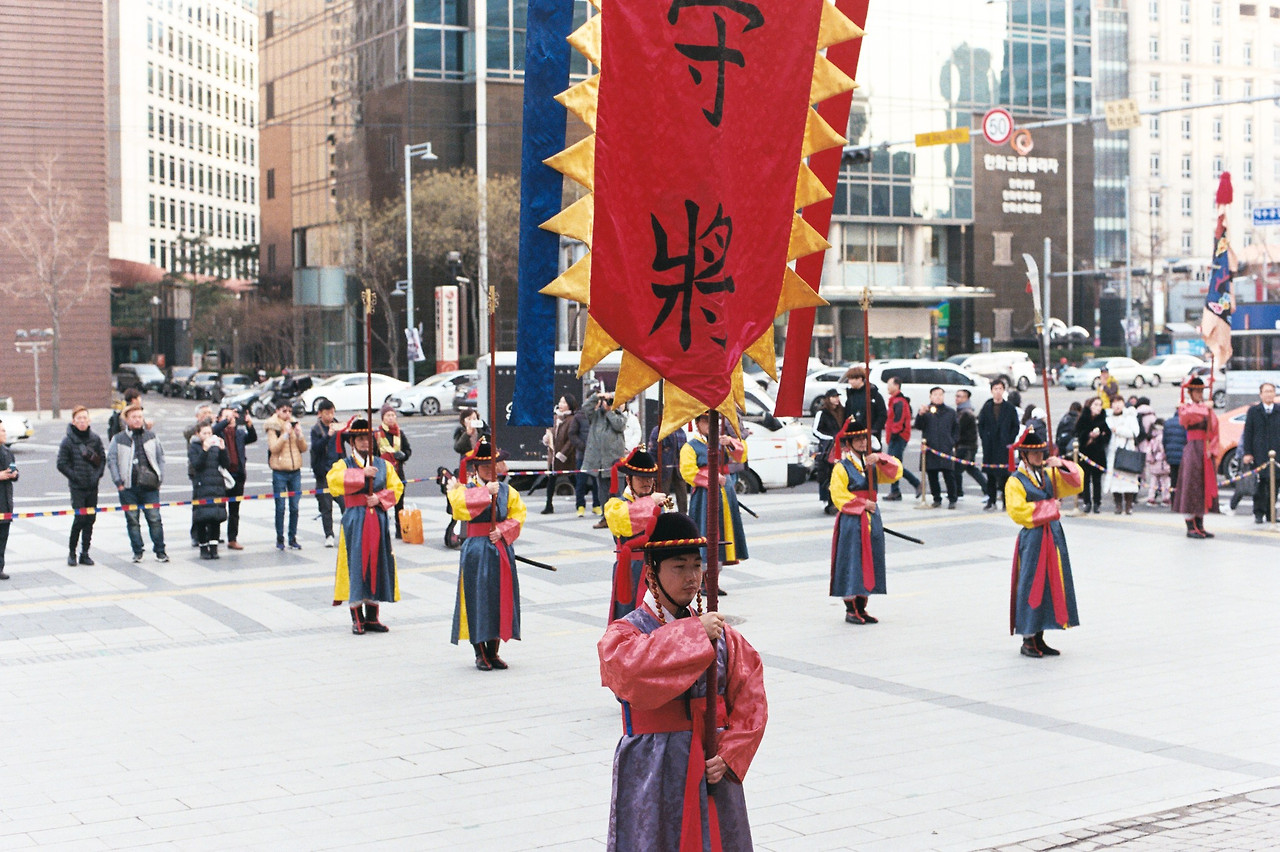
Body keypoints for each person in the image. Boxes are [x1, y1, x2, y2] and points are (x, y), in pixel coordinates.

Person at [597, 511, 767, 851]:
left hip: (711, 761)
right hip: (654, 764)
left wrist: (730, 754)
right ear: (652, 572)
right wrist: (694, 633)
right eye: (679, 566)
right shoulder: (624, 634)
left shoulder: (722, 634)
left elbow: (751, 695)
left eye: (697, 565)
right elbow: (631, 674)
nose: (692, 577)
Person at [1005, 420, 1084, 658]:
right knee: (1032, 585)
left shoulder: (1048, 474)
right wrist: (1050, 507)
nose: (1039, 457)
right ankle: (1028, 638)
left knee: (1051, 584)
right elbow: (1017, 511)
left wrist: (1062, 464)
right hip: (1033, 539)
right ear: (1024, 455)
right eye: (1034, 453)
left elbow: (1076, 482)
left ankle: (1040, 636)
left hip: (1053, 537)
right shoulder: (1015, 481)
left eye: (1041, 452)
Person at [447, 436, 525, 670]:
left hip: (500, 548)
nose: (490, 470)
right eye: (484, 466)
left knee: (498, 597)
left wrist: (502, 530)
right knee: (478, 597)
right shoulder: (465, 489)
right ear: (475, 468)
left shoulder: (507, 491)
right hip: (476, 550)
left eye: (493, 465)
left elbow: (518, 514)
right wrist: (484, 494)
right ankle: (480, 652)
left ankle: (494, 650)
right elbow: (458, 507)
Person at [329, 417, 403, 634]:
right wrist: (361, 474)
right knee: (356, 563)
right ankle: (357, 617)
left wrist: (379, 498)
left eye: (367, 439)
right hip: (355, 519)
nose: (364, 443)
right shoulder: (344, 464)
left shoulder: (383, 465)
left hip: (377, 518)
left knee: (377, 562)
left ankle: (372, 616)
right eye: (360, 439)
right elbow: (333, 481)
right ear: (352, 442)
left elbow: (397, 488)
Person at [829, 412, 903, 625]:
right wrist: (862, 504)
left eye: (865, 439)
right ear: (849, 443)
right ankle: (850, 609)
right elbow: (838, 495)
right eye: (858, 439)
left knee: (870, 561)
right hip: (852, 521)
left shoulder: (871, 463)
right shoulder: (842, 467)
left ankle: (862, 607)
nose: (863, 443)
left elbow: (895, 472)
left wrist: (881, 458)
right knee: (852, 561)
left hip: (872, 519)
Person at [603, 447, 668, 622]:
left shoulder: (657, 503)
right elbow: (625, 522)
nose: (647, 483)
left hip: (655, 569)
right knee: (628, 617)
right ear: (628, 479)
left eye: (650, 478)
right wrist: (651, 502)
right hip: (630, 569)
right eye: (640, 478)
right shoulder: (615, 505)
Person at [682, 412, 749, 570]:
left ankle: (717, 571)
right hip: (704, 495)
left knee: (723, 531)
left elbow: (741, 456)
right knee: (705, 530)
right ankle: (704, 572)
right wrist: (712, 477)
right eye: (706, 421)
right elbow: (688, 472)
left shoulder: (721, 442)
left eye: (713, 421)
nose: (710, 425)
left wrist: (730, 442)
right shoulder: (690, 446)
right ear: (697, 424)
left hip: (725, 491)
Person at [106, 403, 168, 564]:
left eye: (140, 416)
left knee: (154, 518)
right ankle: (137, 551)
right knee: (132, 520)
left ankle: (160, 551)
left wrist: (159, 477)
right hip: (128, 488)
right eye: (134, 417)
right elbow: (111, 461)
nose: (138, 420)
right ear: (126, 420)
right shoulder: (118, 439)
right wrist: (118, 482)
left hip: (150, 486)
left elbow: (161, 457)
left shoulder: (151, 436)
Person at [56, 406, 106, 566]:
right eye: (79, 419)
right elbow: (61, 463)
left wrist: (97, 476)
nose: (82, 421)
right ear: (73, 421)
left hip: (92, 486)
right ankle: (72, 552)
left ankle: (85, 553)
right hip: (77, 487)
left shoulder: (95, 439)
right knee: (80, 519)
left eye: (85, 418)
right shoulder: (68, 441)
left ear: (89, 420)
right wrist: (75, 477)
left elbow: (102, 459)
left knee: (90, 519)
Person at [1172, 376, 1220, 539]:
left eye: (1201, 391)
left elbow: (1214, 429)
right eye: (1196, 391)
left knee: (1202, 486)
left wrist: (1212, 448)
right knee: (1190, 485)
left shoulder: (1207, 408)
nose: (1200, 394)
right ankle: (1190, 526)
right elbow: (1186, 418)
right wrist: (1206, 408)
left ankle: (1200, 524)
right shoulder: (1186, 408)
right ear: (1190, 393)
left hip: (1205, 450)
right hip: (1192, 449)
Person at [265, 399, 308, 550]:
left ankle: (292, 537)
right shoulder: (273, 427)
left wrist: (299, 435)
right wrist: (284, 435)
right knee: (281, 506)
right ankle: (280, 538)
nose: (288, 414)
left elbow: (303, 448)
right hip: (280, 471)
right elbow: (273, 448)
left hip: (295, 470)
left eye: (290, 411)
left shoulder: (294, 424)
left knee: (294, 506)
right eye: (284, 411)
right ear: (277, 411)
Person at [583, 387, 628, 529]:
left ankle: (619, 519)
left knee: (617, 493)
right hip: (600, 462)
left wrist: (610, 411)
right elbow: (585, 408)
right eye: (606, 401)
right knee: (603, 493)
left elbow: (619, 426)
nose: (607, 403)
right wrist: (597, 396)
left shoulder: (620, 416)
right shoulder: (595, 416)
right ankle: (605, 518)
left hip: (615, 462)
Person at [212, 406, 256, 551]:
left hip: (238, 475)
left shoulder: (239, 433)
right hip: (222, 476)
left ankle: (232, 539)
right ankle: (213, 538)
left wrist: (249, 424)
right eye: (226, 416)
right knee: (218, 509)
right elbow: (213, 430)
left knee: (234, 510)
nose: (231, 419)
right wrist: (225, 421)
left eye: (232, 416)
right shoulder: (218, 434)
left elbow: (252, 438)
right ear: (220, 419)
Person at [188, 420, 229, 560]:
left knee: (215, 518)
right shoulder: (194, 447)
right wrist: (204, 450)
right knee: (202, 518)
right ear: (198, 434)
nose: (207, 436)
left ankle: (214, 548)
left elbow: (226, 463)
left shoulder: (215, 446)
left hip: (216, 485)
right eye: (204, 433)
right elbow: (197, 465)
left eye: (210, 433)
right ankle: (203, 548)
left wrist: (223, 449)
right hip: (202, 486)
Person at [1239, 382, 1280, 524]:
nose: (1269, 394)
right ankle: (1258, 513)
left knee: (1275, 485)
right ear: (1260, 394)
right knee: (1260, 485)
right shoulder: (1254, 411)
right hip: (1259, 454)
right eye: (1266, 391)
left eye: (1271, 391)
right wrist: (1247, 452)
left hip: (1276, 455)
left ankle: (1271, 513)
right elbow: (1248, 433)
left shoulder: (1278, 410)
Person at [978, 379, 1021, 511]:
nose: (998, 391)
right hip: (990, 446)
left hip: (1004, 446)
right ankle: (991, 500)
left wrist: (1009, 440)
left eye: (1000, 389)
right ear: (991, 391)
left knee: (1004, 475)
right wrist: (985, 438)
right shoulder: (987, 407)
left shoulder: (1009, 408)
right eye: (995, 389)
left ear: (1003, 390)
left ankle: (1006, 501)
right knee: (990, 475)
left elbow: (1015, 426)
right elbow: (981, 425)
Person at [914, 387, 958, 509]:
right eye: (935, 394)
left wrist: (952, 442)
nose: (938, 397)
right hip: (931, 447)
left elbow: (956, 428)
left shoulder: (950, 412)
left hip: (945, 448)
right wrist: (920, 414)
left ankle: (952, 498)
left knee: (949, 474)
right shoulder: (926, 411)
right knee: (932, 475)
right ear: (930, 397)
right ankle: (936, 498)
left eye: (940, 394)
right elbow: (918, 426)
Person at [309, 399, 343, 548]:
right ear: (320, 414)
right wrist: (328, 435)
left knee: (345, 503)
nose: (330, 416)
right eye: (327, 413)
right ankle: (329, 535)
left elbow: (348, 440)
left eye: (332, 413)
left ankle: (347, 532)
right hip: (323, 473)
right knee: (325, 505)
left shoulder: (338, 426)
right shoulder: (316, 429)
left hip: (339, 471)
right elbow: (316, 448)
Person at [376, 404, 413, 539]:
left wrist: (404, 455)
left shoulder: (399, 433)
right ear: (383, 418)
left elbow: (408, 450)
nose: (391, 418)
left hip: (398, 472)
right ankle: (383, 530)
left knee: (399, 502)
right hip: (383, 473)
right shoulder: (377, 435)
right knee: (382, 503)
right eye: (388, 415)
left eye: (393, 415)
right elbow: (373, 454)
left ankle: (400, 529)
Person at [883, 376, 920, 501]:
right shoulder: (895, 400)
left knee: (895, 465)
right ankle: (895, 490)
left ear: (896, 386)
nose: (888, 387)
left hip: (898, 436)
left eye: (889, 384)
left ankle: (916, 483)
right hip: (895, 436)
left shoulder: (899, 402)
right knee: (894, 465)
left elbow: (898, 420)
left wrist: (894, 433)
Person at [540, 394, 578, 515]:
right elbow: (550, 433)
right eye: (560, 402)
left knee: (573, 478)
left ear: (570, 405)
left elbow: (571, 440)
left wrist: (562, 454)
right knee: (551, 480)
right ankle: (548, 505)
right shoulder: (555, 418)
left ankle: (580, 503)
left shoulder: (572, 419)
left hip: (566, 456)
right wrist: (547, 439)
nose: (561, 405)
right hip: (553, 456)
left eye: (564, 402)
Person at [1073, 397, 1110, 514]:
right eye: (1096, 405)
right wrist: (1088, 435)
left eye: (1100, 405)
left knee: (1097, 480)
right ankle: (1087, 502)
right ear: (1090, 406)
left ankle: (1097, 503)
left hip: (1098, 453)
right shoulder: (1083, 419)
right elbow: (1077, 433)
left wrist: (1099, 436)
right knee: (1085, 479)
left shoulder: (1102, 420)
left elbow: (1107, 436)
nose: (1098, 408)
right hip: (1085, 453)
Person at [1104, 399, 1141, 514]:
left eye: (1119, 402)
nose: (1117, 405)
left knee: (1128, 480)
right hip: (1113, 453)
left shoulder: (1130, 417)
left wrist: (1118, 430)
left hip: (1127, 452)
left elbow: (1135, 433)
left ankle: (1129, 505)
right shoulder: (1108, 418)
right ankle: (1118, 505)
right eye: (1114, 403)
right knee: (1115, 482)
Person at [811, 388, 844, 514]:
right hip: (827, 449)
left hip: (840, 447)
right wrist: (830, 438)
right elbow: (815, 430)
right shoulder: (822, 413)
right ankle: (827, 500)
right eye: (833, 397)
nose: (836, 399)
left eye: (837, 396)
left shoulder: (842, 411)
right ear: (828, 399)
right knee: (826, 474)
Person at [648, 421, 689, 516]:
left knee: (682, 495)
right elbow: (652, 450)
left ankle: (683, 516)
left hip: (679, 468)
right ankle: (662, 516)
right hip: (664, 468)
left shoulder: (680, 431)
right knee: (663, 495)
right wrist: (654, 466)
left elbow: (684, 450)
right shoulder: (658, 430)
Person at [953, 389, 988, 499]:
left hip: (966, 446)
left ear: (966, 398)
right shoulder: (963, 411)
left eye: (959, 396)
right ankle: (986, 490)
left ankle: (957, 492)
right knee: (970, 469)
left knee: (957, 469)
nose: (956, 398)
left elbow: (958, 430)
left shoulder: (965, 413)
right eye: (956, 396)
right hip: (967, 446)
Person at [841, 365, 887, 440]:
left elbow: (882, 414)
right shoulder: (851, 395)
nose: (849, 382)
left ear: (860, 379)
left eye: (851, 379)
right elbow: (847, 415)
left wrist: (874, 430)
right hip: (854, 436)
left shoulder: (873, 394)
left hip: (871, 436)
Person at [0, 423, 17, 580]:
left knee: (3, 537)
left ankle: (0, 568)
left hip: (5, 501)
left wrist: (14, 474)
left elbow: (14, 469)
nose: (4, 433)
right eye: (2, 430)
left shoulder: (7, 452)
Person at [1144, 419, 1172, 506]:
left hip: (1153, 463)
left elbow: (1148, 450)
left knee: (1153, 481)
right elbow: (1164, 450)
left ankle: (1151, 498)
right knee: (1165, 481)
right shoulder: (1162, 437)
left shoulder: (1152, 438)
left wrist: (1151, 459)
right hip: (1162, 463)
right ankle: (1165, 498)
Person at [1162, 412, 1187, 505]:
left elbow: (1164, 440)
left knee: (1173, 479)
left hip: (1171, 454)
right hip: (1183, 455)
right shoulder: (1185, 422)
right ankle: (1182, 502)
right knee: (1183, 479)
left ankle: (1173, 501)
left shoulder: (1168, 423)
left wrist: (1166, 452)